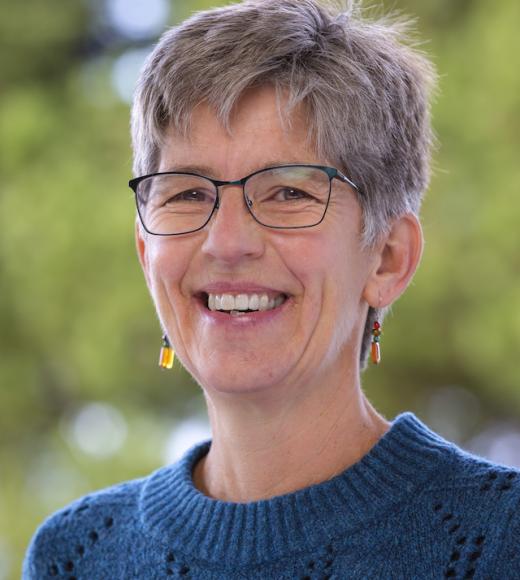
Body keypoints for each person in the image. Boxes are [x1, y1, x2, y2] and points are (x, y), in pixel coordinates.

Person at [23, 0, 520, 578]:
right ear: (146, 252)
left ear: (388, 257)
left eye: (288, 193)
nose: (226, 242)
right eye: (186, 193)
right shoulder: (74, 555)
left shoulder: (503, 540)